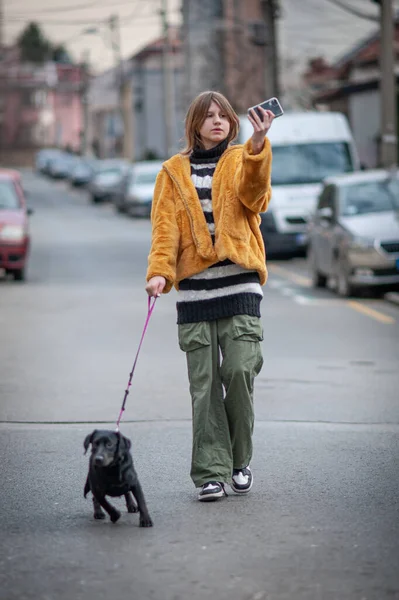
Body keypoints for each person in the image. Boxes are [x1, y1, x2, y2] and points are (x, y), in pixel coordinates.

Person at [145, 90, 274, 501]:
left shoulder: (241, 158)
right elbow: (164, 230)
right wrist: (159, 274)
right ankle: (210, 474)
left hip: (240, 284)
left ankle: (239, 461)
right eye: (209, 115)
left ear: (233, 123)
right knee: (205, 387)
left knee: (238, 372)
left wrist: (257, 146)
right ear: (195, 124)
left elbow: (257, 198)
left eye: (224, 115)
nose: (217, 121)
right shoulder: (171, 172)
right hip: (195, 293)